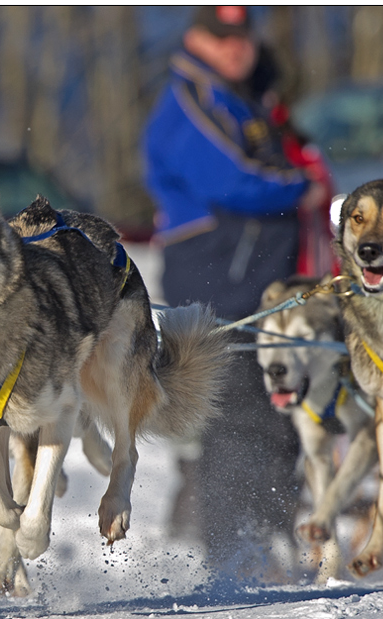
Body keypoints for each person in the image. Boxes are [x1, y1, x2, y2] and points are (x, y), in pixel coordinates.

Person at [142, 6, 328, 577]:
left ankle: (268, 537)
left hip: (253, 275)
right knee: (234, 412)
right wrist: (300, 187)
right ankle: (230, 549)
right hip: (214, 273)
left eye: (242, 36)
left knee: (273, 412)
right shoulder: (192, 100)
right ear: (195, 37)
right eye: (221, 37)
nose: (235, 48)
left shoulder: (239, 96)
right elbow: (231, 179)